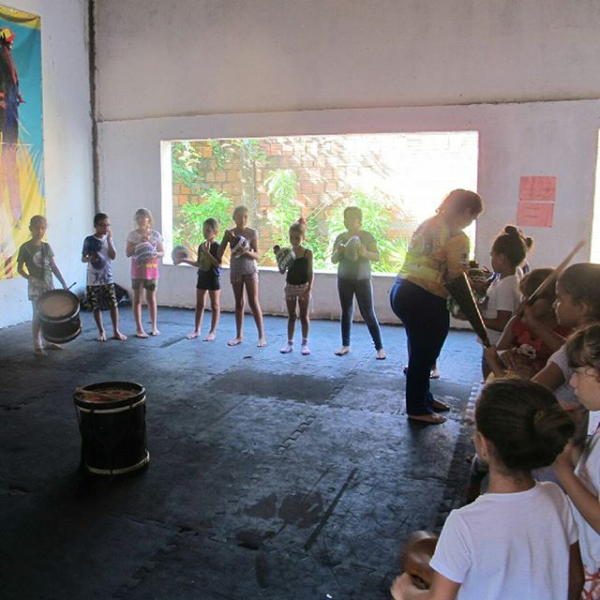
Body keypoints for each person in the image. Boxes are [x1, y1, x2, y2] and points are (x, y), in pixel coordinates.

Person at [391, 379, 583, 600]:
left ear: (482, 445)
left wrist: (406, 593)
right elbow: (575, 580)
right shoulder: (556, 497)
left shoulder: (464, 523)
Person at [390, 189, 483, 424]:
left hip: (401, 290)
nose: (471, 222)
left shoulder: (429, 223)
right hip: (425, 297)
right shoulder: (457, 236)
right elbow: (456, 274)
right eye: (473, 217)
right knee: (426, 353)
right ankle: (417, 408)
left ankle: (425, 399)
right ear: (466, 211)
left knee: (419, 348)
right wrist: (474, 290)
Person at [555, 324, 600, 598]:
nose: (572, 383)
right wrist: (571, 444)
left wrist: (562, 470)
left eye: (580, 373)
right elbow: (591, 477)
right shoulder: (596, 419)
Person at [532, 263, 600, 411]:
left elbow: (528, 395)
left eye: (559, 299)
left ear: (582, 307)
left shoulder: (576, 351)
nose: (554, 305)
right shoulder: (589, 342)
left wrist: (494, 364)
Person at [483, 268, 570, 380]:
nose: (525, 302)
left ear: (553, 300)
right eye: (524, 296)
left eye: (532, 298)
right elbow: (497, 353)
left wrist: (535, 325)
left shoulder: (566, 329)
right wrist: (503, 355)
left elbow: (570, 357)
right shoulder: (516, 322)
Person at [331, 206, 386, 359]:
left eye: (352, 218)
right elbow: (333, 260)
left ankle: (379, 348)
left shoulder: (367, 236)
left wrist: (365, 253)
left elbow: (377, 257)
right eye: (346, 218)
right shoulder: (340, 237)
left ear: (359, 220)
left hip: (362, 280)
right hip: (344, 279)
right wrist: (339, 252)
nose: (348, 221)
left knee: (367, 313)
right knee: (346, 311)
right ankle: (345, 345)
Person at [479, 225, 531, 378]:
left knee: (491, 380)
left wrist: (476, 318)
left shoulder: (506, 286)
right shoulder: (504, 279)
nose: (491, 259)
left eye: (492, 255)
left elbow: (503, 323)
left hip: (496, 347)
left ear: (501, 258)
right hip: (491, 344)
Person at [17, 215, 68, 356]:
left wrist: (63, 283)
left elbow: (54, 267)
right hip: (35, 287)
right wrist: (29, 278)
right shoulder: (25, 248)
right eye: (37, 228)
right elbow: (19, 269)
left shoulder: (46, 247)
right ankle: (37, 344)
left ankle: (48, 341)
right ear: (30, 228)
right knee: (38, 315)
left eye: (43, 228)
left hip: (48, 285)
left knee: (49, 314)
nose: (40, 231)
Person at [218, 205, 266, 347]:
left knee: (253, 302)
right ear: (234, 217)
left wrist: (245, 251)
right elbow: (219, 254)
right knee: (239, 303)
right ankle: (239, 336)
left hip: (250, 270)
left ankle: (262, 337)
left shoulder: (252, 233)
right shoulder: (230, 233)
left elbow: (257, 256)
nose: (243, 219)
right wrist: (225, 239)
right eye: (239, 216)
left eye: (245, 217)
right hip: (236, 270)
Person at [81, 213, 126, 342]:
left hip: (107, 277)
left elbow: (113, 256)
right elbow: (83, 258)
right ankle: (101, 331)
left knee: (113, 304)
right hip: (93, 279)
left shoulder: (108, 239)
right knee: (96, 306)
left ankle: (116, 330)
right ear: (95, 226)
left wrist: (110, 240)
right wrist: (91, 258)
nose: (106, 228)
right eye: (102, 225)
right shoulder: (89, 240)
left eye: (108, 225)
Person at [179, 218, 221, 341]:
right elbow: (198, 263)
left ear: (215, 232)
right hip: (202, 276)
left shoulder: (217, 246)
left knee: (215, 305)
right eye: (204, 230)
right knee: (200, 304)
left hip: (213, 277)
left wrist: (208, 253)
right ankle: (197, 330)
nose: (205, 232)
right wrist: (183, 260)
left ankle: (212, 332)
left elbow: (218, 264)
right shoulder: (201, 246)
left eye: (208, 230)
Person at [125, 208, 164, 338]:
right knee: (137, 300)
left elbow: (162, 252)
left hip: (152, 271)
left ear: (149, 219)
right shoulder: (132, 235)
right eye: (138, 217)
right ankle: (139, 328)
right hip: (137, 272)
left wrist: (155, 253)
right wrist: (139, 243)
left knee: (151, 299)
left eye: (143, 217)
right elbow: (128, 253)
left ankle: (154, 327)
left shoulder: (156, 235)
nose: (141, 220)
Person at [279, 218, 314, 355]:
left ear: (303, 237)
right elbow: (282, 271)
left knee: (304, 316)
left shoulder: (307, 253)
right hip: (290, 287)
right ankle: (289, 343)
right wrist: (280, 259)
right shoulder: (287, 253)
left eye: (297, 238)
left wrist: (309, 288)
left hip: (303, 287)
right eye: (291, 238)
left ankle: (305, 343)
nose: (294, 240)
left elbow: (310, 272)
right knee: (292, 315)